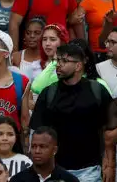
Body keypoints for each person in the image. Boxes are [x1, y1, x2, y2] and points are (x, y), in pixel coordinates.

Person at [29, 43, 111, 181]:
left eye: (64, 61)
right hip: (55, 170)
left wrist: (108, 162)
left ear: (78, 66)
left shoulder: (97, 91)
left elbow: (108, 130)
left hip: (90, 170)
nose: (58, 65)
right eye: (57, 60)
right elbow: (36, 131)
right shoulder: (48, 93)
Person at [11, 128, 78, 182]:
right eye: (33, 146)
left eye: (42, 146)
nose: (37, 151)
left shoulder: (69, 179)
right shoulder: (17, 180)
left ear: (55, 150)